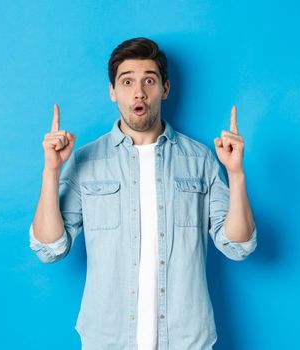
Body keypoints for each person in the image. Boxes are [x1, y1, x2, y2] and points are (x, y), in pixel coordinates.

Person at [29, 37, 257, 350]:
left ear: (165, 88)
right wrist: (51, 171)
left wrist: (236, 173)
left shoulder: (200, 159)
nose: (139, 91)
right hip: (107, 341)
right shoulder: (85, 161)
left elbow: (238, 246)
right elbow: (49, 248)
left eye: (149, 80)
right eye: (127, 82)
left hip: (185, 340)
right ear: (113, 91)